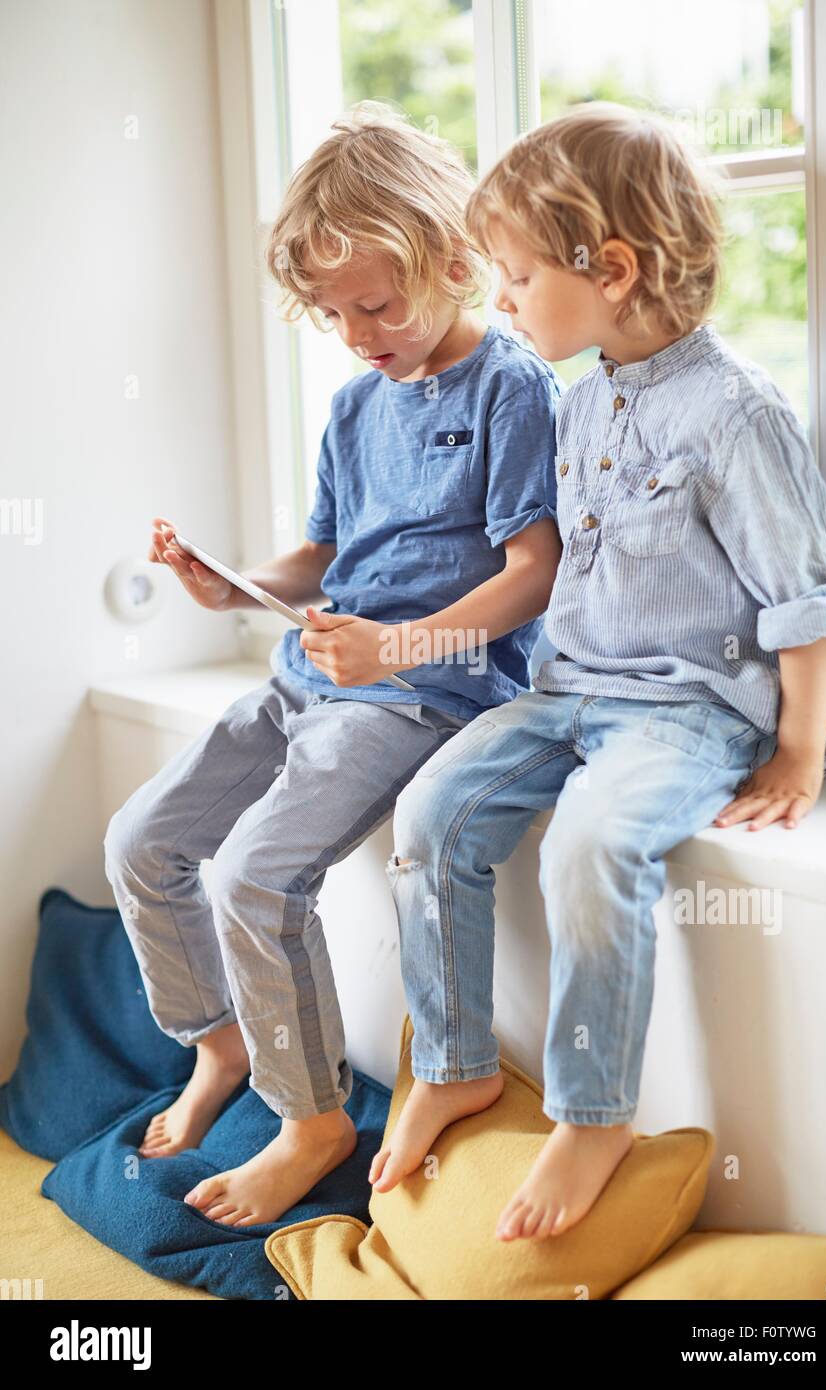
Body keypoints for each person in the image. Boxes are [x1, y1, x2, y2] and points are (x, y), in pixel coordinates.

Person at [371, 101, 826, 1242]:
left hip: (685, 715)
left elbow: (805, 599)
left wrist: (796, 747)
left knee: (596, 843)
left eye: (512, 275)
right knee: (431, 808)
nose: (496, 300)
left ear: (613, 268)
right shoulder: (577, 394)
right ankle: (452, 1061)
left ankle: (593, 1109)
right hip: (566, 692)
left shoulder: (735, 413)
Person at [103, 102, 561, 1228]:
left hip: (420, 695)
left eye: (375, 304)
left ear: (454, 262)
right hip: (311, 674)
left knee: (255, 874)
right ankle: (215, 1044)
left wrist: (396, 646)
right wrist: (229, 584)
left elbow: (532, 573)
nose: (356, 334)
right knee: (143, 842)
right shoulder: (356, 401)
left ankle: (309, 1119)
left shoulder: (509, 387)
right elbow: (322, 556)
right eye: (331, 313)